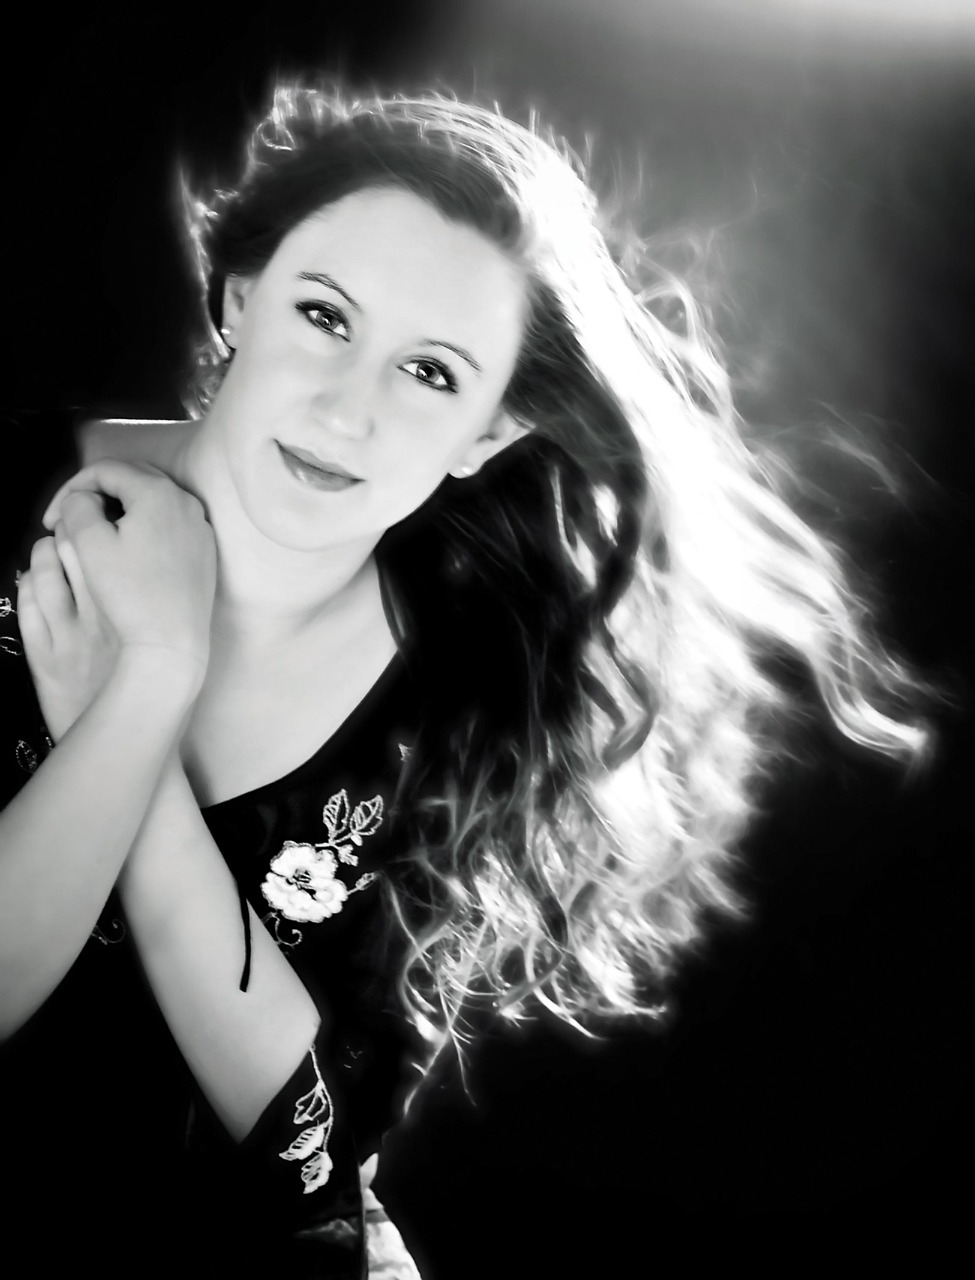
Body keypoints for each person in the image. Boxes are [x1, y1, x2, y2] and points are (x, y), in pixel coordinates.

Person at [0, 83, 937, 1276]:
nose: (347, 409)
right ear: (239, 298)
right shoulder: (6, 494)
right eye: (324, 315)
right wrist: (148, 691)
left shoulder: (465, 697)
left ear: (490, 433)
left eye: (432, 374)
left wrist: (145, 686)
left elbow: (307, 1148)